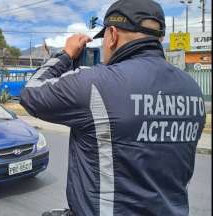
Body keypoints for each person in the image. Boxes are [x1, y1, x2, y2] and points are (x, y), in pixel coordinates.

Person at [20, 0, 206, 215]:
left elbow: (31, 93)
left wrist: (65, 55)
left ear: (113, 35)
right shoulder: (192, 88)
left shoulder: (96, 83)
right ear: (160, 38)